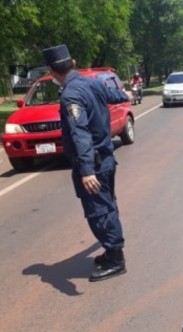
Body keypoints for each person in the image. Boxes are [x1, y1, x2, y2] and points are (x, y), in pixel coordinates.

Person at [43, 44, 130, 281]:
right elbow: (113, 95)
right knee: (107, 206)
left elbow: (79, 133)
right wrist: (127, 94)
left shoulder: (71, 95)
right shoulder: (91, 83)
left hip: (95, 164)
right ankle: (112, 250)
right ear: (72, 63)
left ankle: (116, 259)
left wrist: (87, 170)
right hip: (106, 159)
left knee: (99, 212)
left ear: (51, 70)